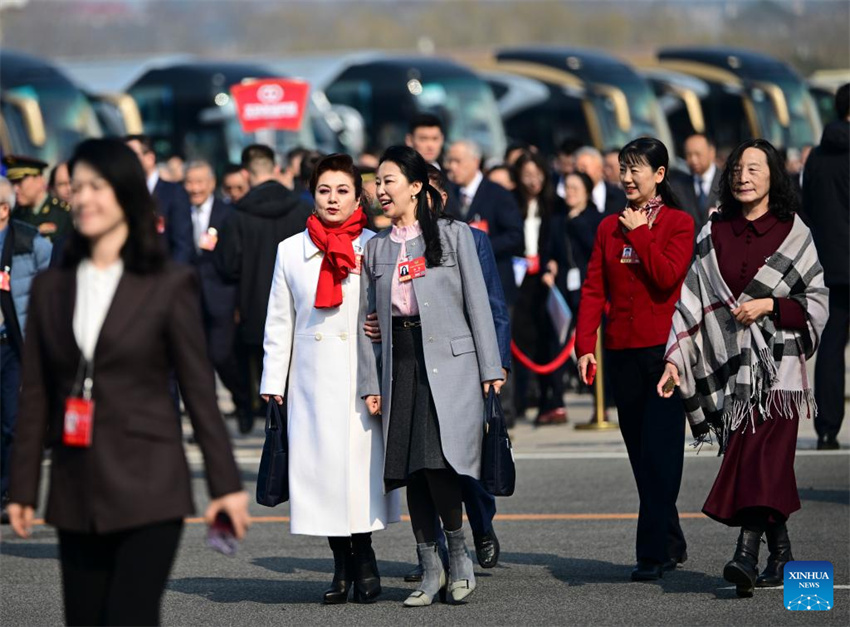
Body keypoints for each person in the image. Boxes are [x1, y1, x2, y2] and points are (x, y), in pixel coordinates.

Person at [5, 139, 249, 626]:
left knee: (129, 614)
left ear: (126, 195)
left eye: (99, 186)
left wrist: (225, 485)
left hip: (150, 482)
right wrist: (24, 486)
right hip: (77, 485)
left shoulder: (167, 282)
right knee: (85, 617)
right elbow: (35, 393)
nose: (86, 198)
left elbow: (199, 389)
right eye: (78, 187)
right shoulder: (55, 286)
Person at [660, 139, 829, 597]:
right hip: (729, 372)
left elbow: (815, 302)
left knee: (757, 456)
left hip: (780, 372)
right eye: (736, 168)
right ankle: (782, 557)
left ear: (774, 175)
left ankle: (745, 555)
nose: (743, 176)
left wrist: (770, 305)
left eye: (754, 168)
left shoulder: (795, 232)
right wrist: (675, 360)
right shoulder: (713, 232)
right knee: (766, 465)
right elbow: (690, 303)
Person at [358, 145, 503, 606]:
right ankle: (430, 568)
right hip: (398, 364)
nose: (380, 191)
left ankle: (458, 557)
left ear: (417, 187)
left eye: (389, 181)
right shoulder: (376, 247)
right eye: (377, 183)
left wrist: (490, 369)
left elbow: (479, 305)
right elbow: (367, 321)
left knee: (438, 463)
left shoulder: (455, 236)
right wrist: (368, 383)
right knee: (409, 469)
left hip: (449, 363)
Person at [259, 153, 398, 604]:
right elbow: (279, 322)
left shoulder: (377, 244)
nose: (333, 199)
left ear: (358, 196)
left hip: (362, 380)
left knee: (360, 475)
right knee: (320, 477)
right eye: (324, 190)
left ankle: (366, 557)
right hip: (310, 382)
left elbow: (400, 302)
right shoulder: (289, 250)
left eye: (342, 190)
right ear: (312, 195)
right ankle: (340, 565)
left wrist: (381, 320)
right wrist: (272, 384)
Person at [576, 137, 694, 582]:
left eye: (636, 169)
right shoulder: (608, 227)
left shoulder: (680, 224)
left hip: (665, 354)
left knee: (661, 453)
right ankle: (671, 538)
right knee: (640, 454)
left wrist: (641, 233)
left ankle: (651, 553)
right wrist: (585, 344)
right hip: (622, 353)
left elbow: (666, 278)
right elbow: (593, 289)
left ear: (659, 175)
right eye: (623, 169)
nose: (627, 177)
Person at [214, 144, 312, 433]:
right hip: (299, 303)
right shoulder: (302, 208)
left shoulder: (237, 214)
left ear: (245, 173)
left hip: (253, 304)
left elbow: (228, 265)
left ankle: (252, 409)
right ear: (276, 168)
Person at [445, 140, 523, 428]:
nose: (451, 167)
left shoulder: (497, 193)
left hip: (495, 281)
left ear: (474, 162)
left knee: (498, 345)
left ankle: (505, 411)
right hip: (460, 288)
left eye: (456, 161)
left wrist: (478, 243)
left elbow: (516, 236)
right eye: (449, 162)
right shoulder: (448, 194)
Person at [0, 176, 52, 524]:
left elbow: (50, 296)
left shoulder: (31, 242)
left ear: (3, 209)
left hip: (14, 345)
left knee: (13, 421)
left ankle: (9, 492)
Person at [802, 83, 849, 450]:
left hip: (829, 266)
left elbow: (808, 209)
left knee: (831, 348)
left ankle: (827, 427)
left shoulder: (816, 158)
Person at [183, 160, 247, 421]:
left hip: (221, 296)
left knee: (221, 355)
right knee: (198, 363)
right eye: (190, 182)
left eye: (200, 181)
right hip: (189, 298)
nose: (195, 188)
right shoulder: (178, 211)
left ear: (211, 184)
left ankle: (242, 398)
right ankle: (205, 418)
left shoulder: (227, 213)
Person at [510, 151, 569, 425]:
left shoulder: (555, 205)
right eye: (527, 175)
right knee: (522, 336)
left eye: (537, 175)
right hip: (520, 278)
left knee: (550, 338)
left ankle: (553, 399)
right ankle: (522, 399)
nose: (532, 181)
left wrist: (554, 263)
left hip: (546, 277)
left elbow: (560, 241)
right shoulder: (511, 203)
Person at [124, 135, 194, 264]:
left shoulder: (173, 193)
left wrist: (171, 280)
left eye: (132, 155)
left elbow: (183, 245)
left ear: (150, 158)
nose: (126, 161)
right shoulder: (122, 195)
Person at [3, 155, 72, 242]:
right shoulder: (15, 217)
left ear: (39, 180)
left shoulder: (63, 214)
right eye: (12, 183)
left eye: (20, 182)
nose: (15, 189)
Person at [670, 133, 722, 232]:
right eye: (689, 155)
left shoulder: (727, 182)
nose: (693, 160)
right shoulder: (678, 187)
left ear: (711, 152)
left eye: (698, 154)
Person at [574, 146, 628, 216]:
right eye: (577, 169)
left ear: (599, 167)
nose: (580, 172)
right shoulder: (574, 201)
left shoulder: (621, 196)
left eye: (584, 167)